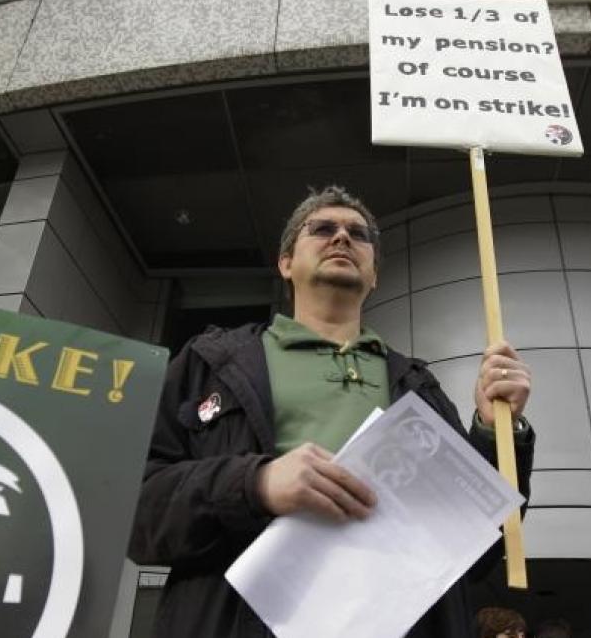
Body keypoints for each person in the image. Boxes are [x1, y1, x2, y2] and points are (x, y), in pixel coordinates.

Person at [129, 186, 536, 637]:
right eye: (322, 229)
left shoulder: (419, 388)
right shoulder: (209, 364)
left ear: (374, 273)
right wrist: (254, 484)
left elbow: (477, 549)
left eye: (358, 234)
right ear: (286, 263)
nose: (342, 238)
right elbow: (138, 514)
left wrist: (496, 429)